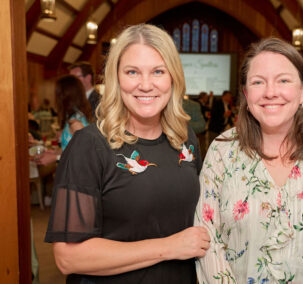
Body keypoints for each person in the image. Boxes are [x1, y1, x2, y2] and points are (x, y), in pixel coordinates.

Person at [45, 24, 210, 283]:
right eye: (132, 72)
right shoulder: (89, 146)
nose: (145, 85)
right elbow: (68, 257)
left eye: (158, 71)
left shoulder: (185, 139)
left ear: (173, 78)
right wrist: (168, 247)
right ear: (116, 78)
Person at [195, 38, 303, 283]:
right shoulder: (223, 151)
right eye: (258, 82)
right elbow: (207, 236)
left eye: (283, 80)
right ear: (245, 93)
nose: (270, 92)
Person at [35, 75, 92, 166]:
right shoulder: (71, 118)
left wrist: (55, 158)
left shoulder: (76, 123)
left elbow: (85, 156)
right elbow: (71, 149)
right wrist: (55, 152)